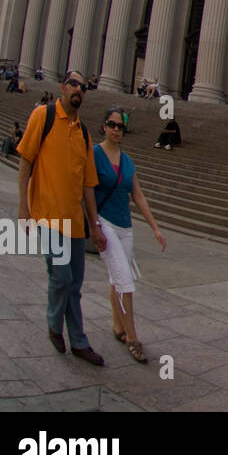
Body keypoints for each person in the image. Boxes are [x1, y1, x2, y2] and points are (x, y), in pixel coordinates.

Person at [15, 70, 107, 366]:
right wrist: (23, 207)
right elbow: (26, 160)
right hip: (47, 215)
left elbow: (88, 185)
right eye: (74, 84)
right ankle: (55, 323)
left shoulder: (83, 133)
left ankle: (79, 341)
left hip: (74, 221)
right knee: (62, 277)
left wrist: (94, 226)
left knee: (75, 285)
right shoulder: (44, 115)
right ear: (62, 88)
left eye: (84, 86)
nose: (79, 89)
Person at [92, 107, 165, 364]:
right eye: (111, 124)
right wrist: (94, 225)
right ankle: (133, 338)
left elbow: (138, 195)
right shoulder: (95, 154)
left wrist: (155, 228)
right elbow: (86, 190)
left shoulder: (127, 161)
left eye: (120, 126)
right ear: (104, 126)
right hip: (105, 222)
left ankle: (117, 325)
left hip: (125, 226)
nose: (115, 129)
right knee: (126, 280)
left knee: (116, 278)